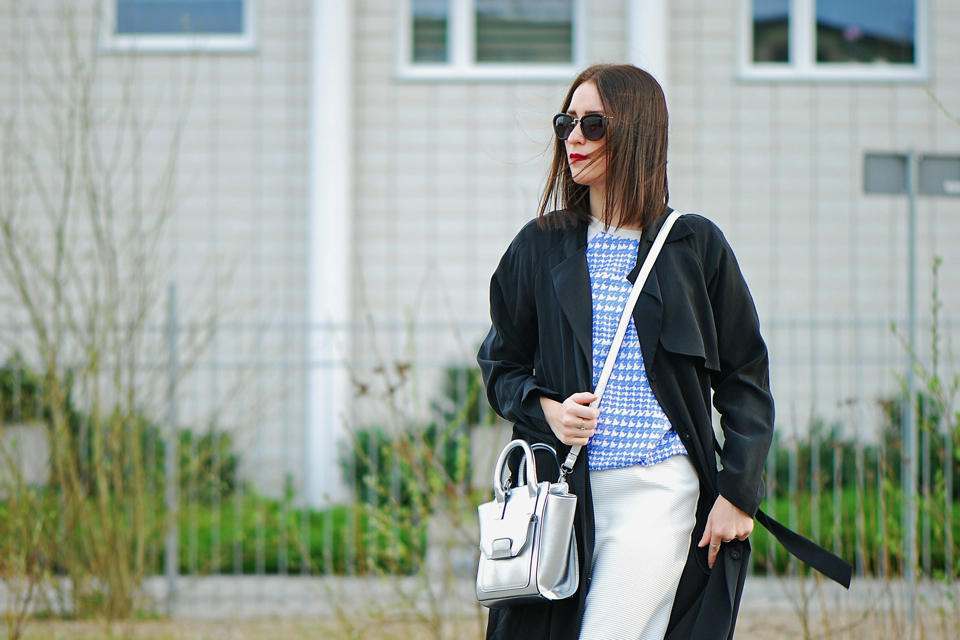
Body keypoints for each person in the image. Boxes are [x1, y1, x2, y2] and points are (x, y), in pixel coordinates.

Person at [477, 64, 775, 640]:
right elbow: (501, 365)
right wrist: (548, 409)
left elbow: (745, 377)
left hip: (658, 489)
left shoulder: (694, 246)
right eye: (566, 122)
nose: (573, 138)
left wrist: (739, 493)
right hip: (565, 495)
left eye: (593, 124)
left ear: (637, 132)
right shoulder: (540, 245)